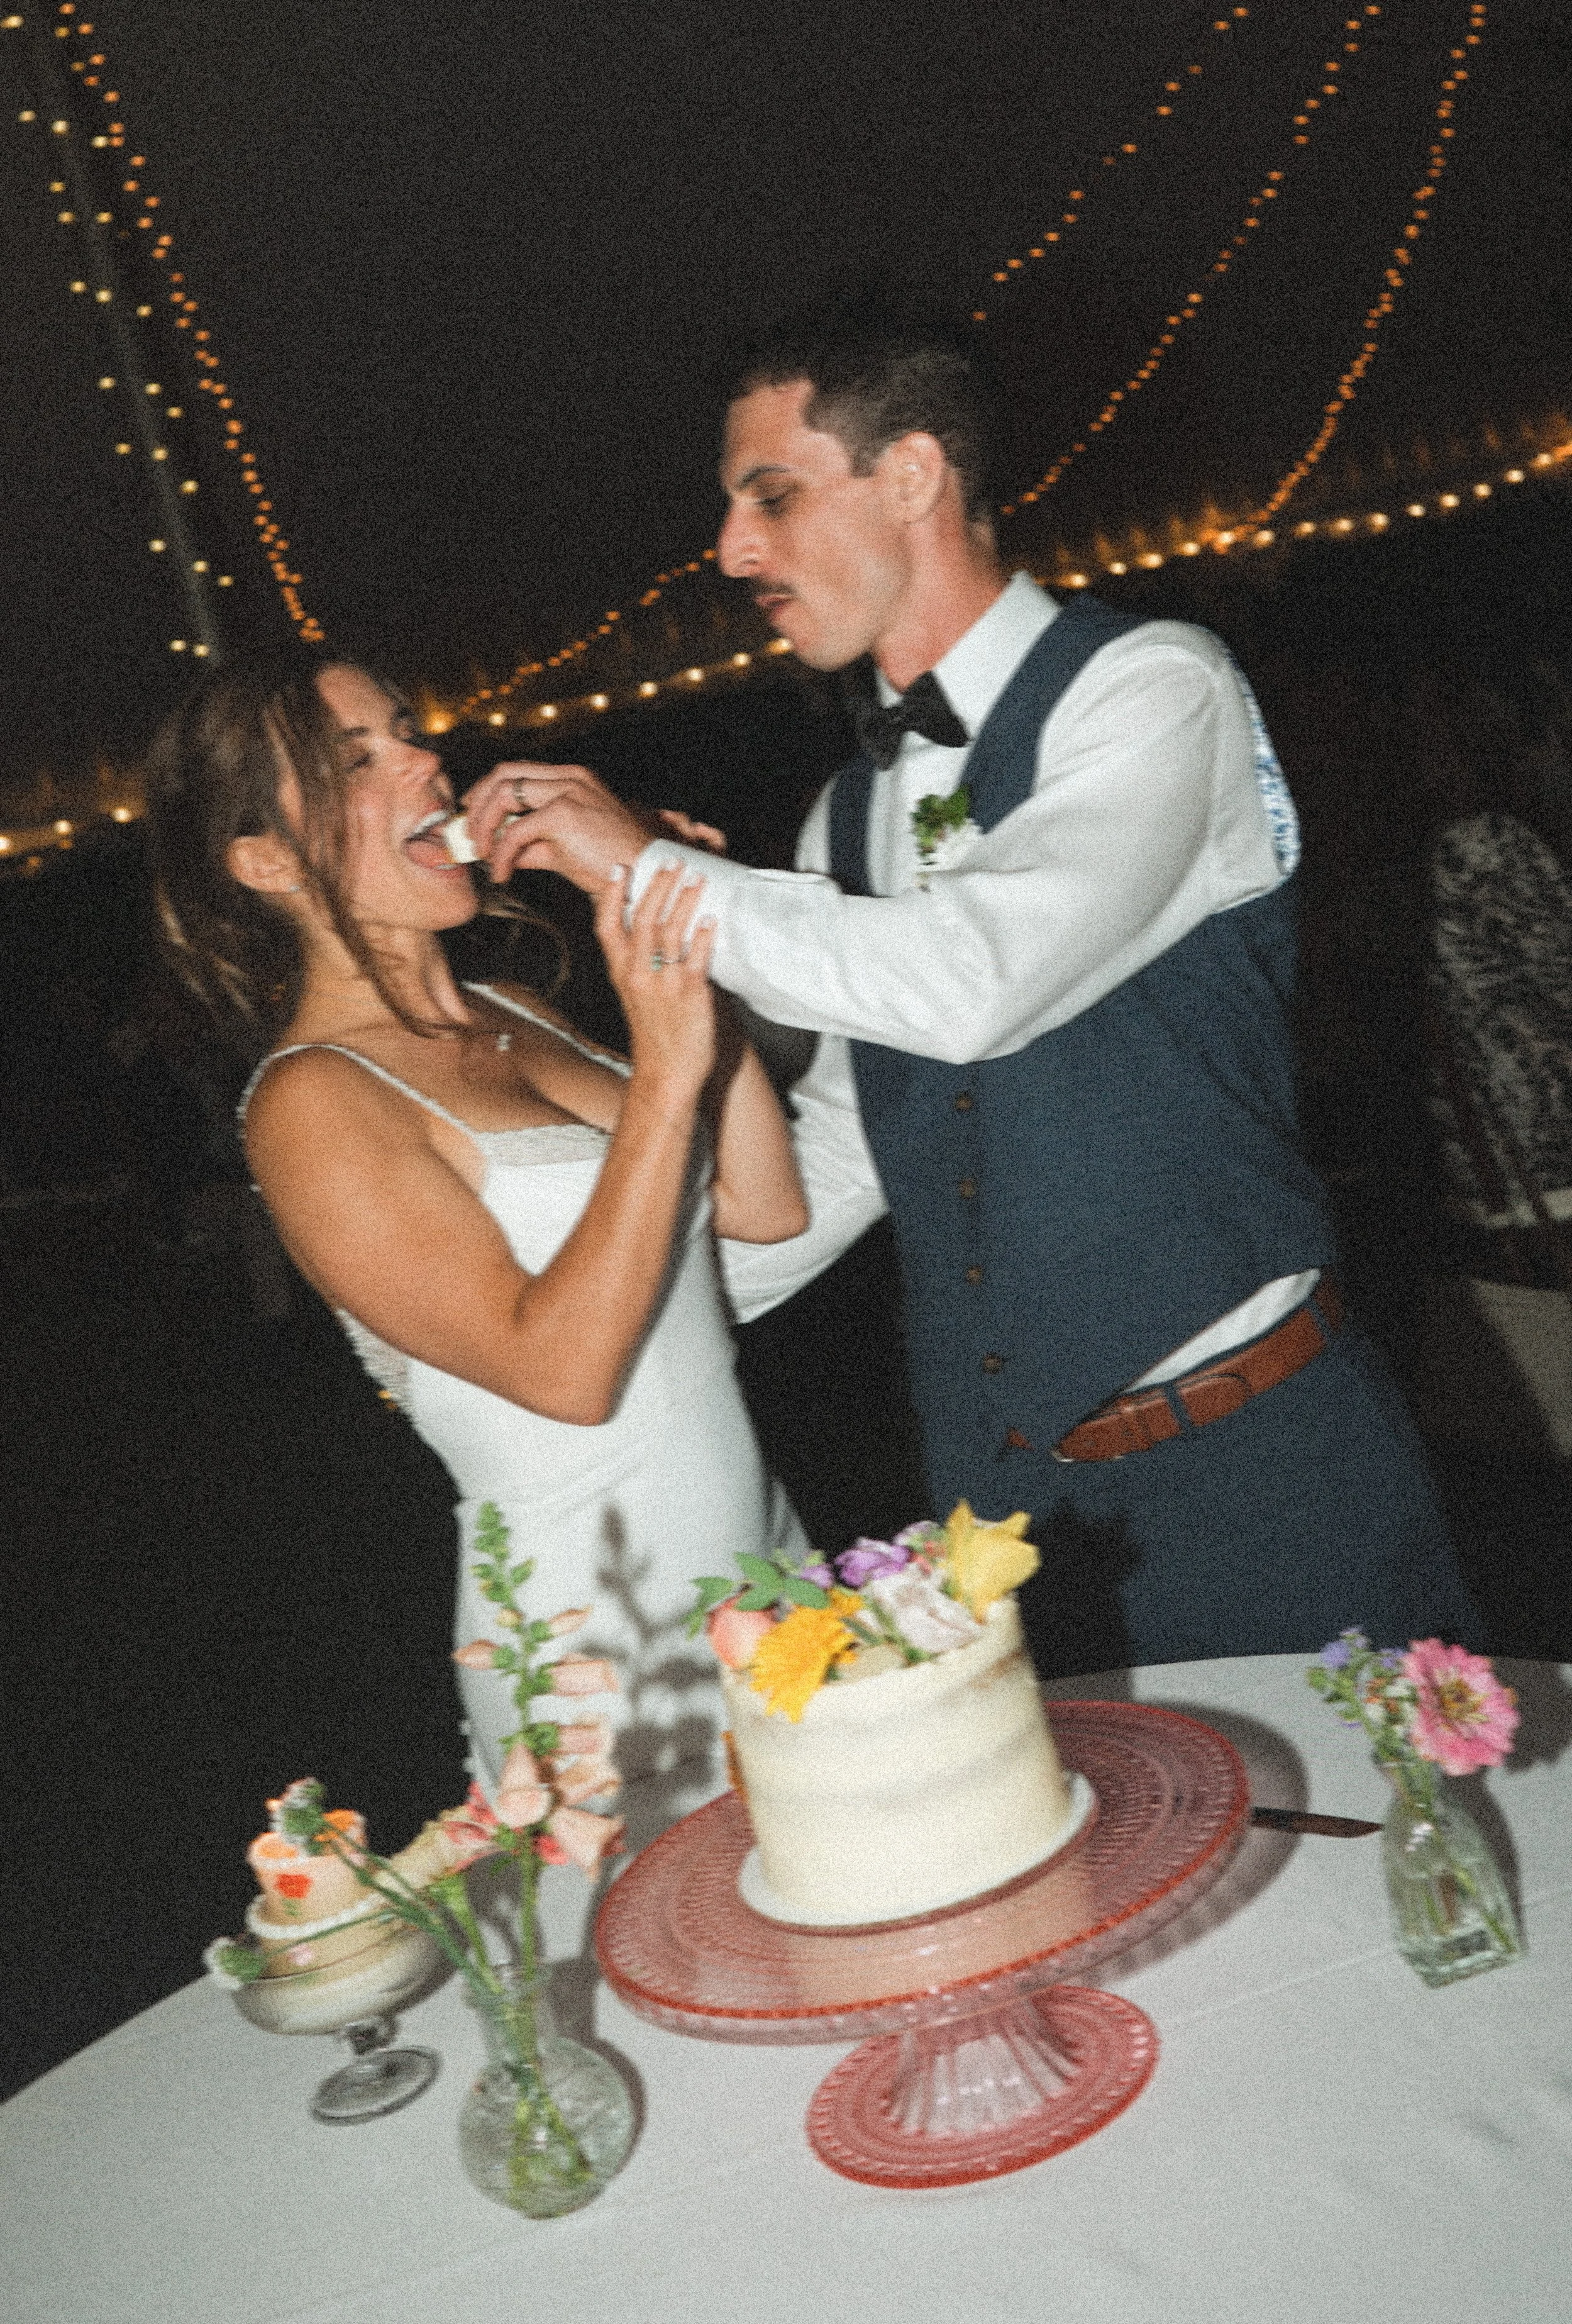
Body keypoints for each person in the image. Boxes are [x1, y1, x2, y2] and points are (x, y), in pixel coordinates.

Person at [468, 286, 1478, 1671]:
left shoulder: (1152, 690)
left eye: (771, 495)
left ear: (914, 476)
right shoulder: (841, 817)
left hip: (1249, 1463)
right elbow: (850, 1155)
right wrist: (594, 1317)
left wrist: (643, 863)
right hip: (1003, 1528)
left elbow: (976, 977)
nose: (729, 547)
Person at [145, 652, 811, 1832]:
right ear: (264, 862)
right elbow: (561, 1370)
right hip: (600, 1654)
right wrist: (663, 1071)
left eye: (406, 728)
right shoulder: (310, 1102)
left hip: (768, 1568)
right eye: (358, 761)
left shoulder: (522, 1010)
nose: (424, 760)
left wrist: (688, 938)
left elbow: (764, 1200)